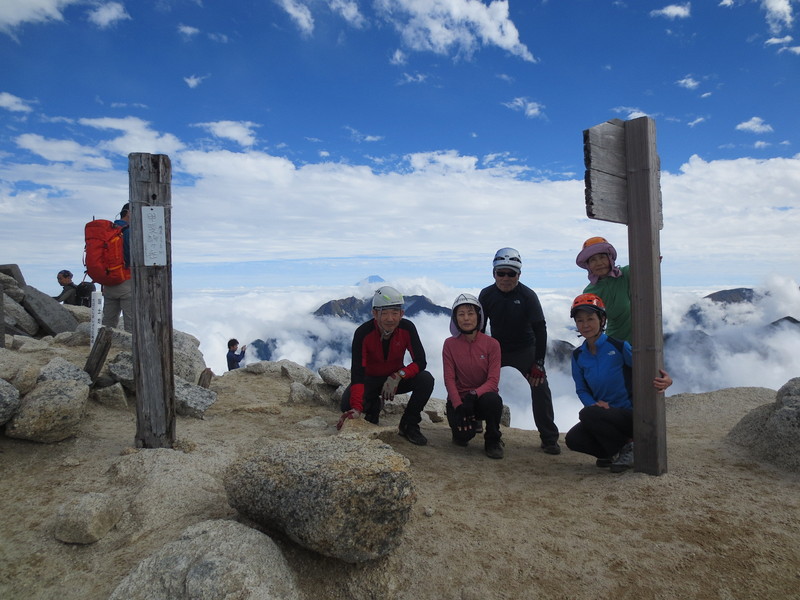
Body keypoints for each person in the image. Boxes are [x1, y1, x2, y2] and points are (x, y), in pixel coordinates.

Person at [565, 293, 672, 473]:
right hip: (601, 414)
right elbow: (581, 389)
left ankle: (630, 447)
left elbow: (645, 371)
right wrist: (595, 405)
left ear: (602, 320)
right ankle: (614, 451)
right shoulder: (578, 356)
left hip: (629, 413)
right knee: (574, 439)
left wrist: (666, 380)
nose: (585, 325)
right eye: (580, 320)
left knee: (588, 414)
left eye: (590, 319)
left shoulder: (618, 346)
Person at [479, 248, 561, 455]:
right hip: (497, 348)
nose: (506, 278)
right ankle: (479, 425)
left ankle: (549, 438)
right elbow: (480, 326)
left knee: (540, 387)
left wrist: (539, 363)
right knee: (479, 380)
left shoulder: (527, 296)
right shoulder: (487, 295)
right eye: (501, 273)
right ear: (494, 273)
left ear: (519, 275)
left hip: (525, 349)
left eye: (511, 273)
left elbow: (540, 329)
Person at [338, 286, 434, 446]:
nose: (390, 318)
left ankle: (409, 424)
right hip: (370, 380)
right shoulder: (363, 333)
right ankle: (374, 406)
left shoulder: (407, 328)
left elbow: (420, 361)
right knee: (347, 404)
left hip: (396, 378)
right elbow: (358, 373)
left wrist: (399, 375)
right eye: (385, 313)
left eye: (395, 313)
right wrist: (356, 407)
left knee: (426, 379)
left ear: (402, 314)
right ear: (375, 314)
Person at [442, 293, 505, 459]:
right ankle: (472, 423)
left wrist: (473, 395)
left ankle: (493, 439)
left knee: (493, 400)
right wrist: (458, 405)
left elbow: (493, 381)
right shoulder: (449, 344)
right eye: (461, 314)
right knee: (462, 438)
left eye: (470, 313)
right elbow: (449, 379)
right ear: (455, 318)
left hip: (481, 398)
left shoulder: (492, 344)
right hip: (460, 401)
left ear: (479, 316)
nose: (466, 318)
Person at [576, 236, 632, 342]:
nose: (599, 263)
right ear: (588, 265)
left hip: (644, 337)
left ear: (610, 259)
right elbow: (593, 323)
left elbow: (645, 267)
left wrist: (653, 260)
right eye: (593, 260)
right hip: (615, 344)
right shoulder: (590, 292)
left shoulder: (625, 274)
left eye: (602, 257)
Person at [101, 203, 133, 332]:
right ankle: (131, 350)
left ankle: (103, 348)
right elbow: (133, 257)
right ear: (128, 212)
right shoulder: (129, 232)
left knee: (108, 322)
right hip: (126, 281)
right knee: (131, 324)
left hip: (108, 281)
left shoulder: (108, 232)